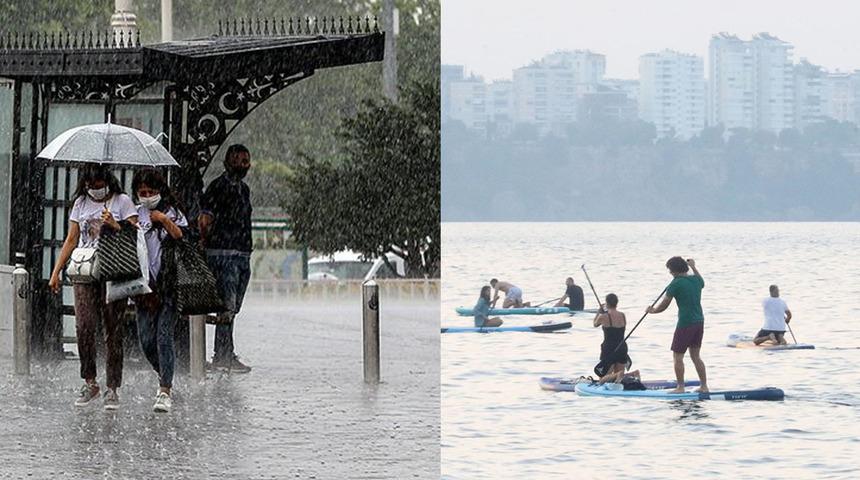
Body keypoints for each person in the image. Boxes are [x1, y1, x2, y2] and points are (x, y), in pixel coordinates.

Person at [48, 163, 138, 410]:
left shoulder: (122, 202)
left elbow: (135, 235)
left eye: (98, 185)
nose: (94, 189)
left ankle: (112, 386)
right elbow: (72, 238)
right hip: (85, 270)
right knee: (84, 325)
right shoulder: (80, 203)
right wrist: (56, 271)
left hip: (113, 271)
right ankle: (90, 380)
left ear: (106, 181)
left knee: (112, 328)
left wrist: (115, 225)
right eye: (89, 185)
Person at [132, 169, 188, 412]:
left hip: (169, 285)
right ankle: (164, 371)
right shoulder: (134, 213)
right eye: (142, 192)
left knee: (164, 336)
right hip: (144, 287)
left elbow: (182, 236)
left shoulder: (172, 212)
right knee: (146, 339)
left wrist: (163, 219)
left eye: (151, 192)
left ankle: (165, 389)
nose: (147, 196)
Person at [198, 144, 253, 373]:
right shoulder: (217, 188)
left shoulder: (244, 189)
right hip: (223, 254)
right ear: (227, 162)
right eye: (238, 160)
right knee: (226, 306)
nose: (243, 165)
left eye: (246, 161)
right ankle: (222, 354)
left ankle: (224, 351)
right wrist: (206, 242)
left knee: (234, 306)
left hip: (241, 254)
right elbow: (205, 219)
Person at [647, 257, 709, 394]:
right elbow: (702, 282)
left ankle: (680, 387)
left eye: (670, 270)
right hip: (699, 322)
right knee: (695, 356)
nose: (670, 273)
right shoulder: (695, 280)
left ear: (674, 270)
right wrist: (693, 266)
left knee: (677, 356)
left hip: (685, 323)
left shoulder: (675, 284)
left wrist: (653, 311)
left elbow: (664, 305)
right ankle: (704, 386)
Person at [593, 293, 630, 384]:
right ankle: (633, 374)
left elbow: (595, 324)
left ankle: (617, 375)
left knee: (602, 380)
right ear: (616, 303)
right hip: (622, 347)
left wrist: (599, 312)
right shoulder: (622, 315)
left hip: (609, 348)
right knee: (618, 381)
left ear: (607, 304)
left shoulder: (603, 316)